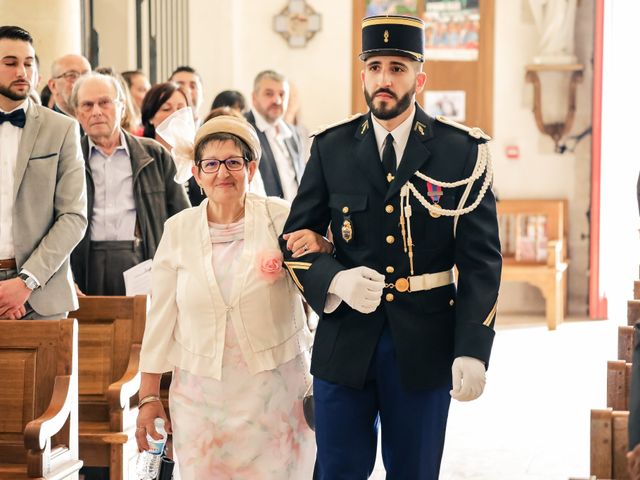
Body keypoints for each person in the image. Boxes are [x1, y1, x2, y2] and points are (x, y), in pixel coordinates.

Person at [279, 15, 502, 479]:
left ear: (419, 78)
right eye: (375, 66)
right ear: (363, 75)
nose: (384, 78)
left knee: (415, 471)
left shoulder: (461, 152)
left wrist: (473, 348)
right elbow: (295, 244)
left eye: (397, 68)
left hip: (425, 343)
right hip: (344, 342)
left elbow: (481, 264)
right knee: (337, 469)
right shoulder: (332, 148)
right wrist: (334, 278)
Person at [135, 115, 329, 479]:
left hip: (275, 394)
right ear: (197, 173)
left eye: (233, 162)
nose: (222, 172)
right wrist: (148, 397)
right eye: (211, 164)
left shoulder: (280, 217)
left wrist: (323, 243)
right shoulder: (178, 230)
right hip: (200, 399)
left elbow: (322, 275)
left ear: (251, 168)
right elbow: (160, 319)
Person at [69, 73, 189, 296]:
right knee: (91, 330)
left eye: (104, 102)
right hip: (85, 261)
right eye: (87, 105)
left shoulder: (154, 154)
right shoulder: (68, 158)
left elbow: (183, 219)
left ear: (122, 107)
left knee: (141, 330)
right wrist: (67, 279)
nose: (96, 111)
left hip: (142, 260)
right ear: (77, 113)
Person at [0, 25, 87, 319]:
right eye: (10, 63)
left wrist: (26, 281)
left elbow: (73, 216)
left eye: (29, 62)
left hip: (42, 292)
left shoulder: (62, 129)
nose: (22, 71)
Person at [246, 70, 304, 201]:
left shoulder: (292, 133)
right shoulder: (244, 130)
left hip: (295, 217)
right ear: (254, 98)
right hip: (263, 216)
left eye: (282, 94)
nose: (277, 100)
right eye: (269, 94)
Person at [141, 82, 190, 151]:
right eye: (166, 109)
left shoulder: (198, 153)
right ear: (150, 117)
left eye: (180, 109)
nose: (175, 114)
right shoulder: (139, 153)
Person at [48, 53, 91, 117]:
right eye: (71, 75)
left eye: (86, 75)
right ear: (53, 86)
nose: (81, 82)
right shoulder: (48, 125)